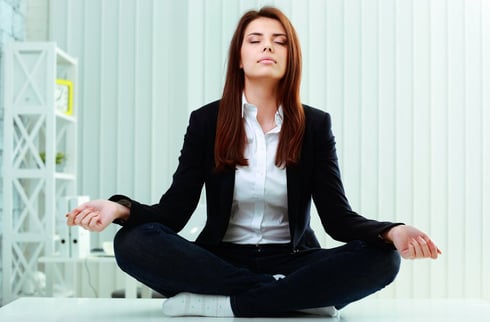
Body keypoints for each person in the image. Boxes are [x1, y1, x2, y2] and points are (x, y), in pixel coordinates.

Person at [66, 6, 441, 318]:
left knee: (384, 259)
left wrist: (393, 231)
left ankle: (223, 305)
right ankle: (296, 300)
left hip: (293, 260)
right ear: (240, 57)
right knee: (133, 242)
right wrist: (118, 209)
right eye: (256, 40)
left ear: (290, 57)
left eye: (280, 42)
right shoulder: (206, 121)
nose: (268, 47)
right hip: (219, 262)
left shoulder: (314, 125)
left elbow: (339, 220)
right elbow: (172, 212)